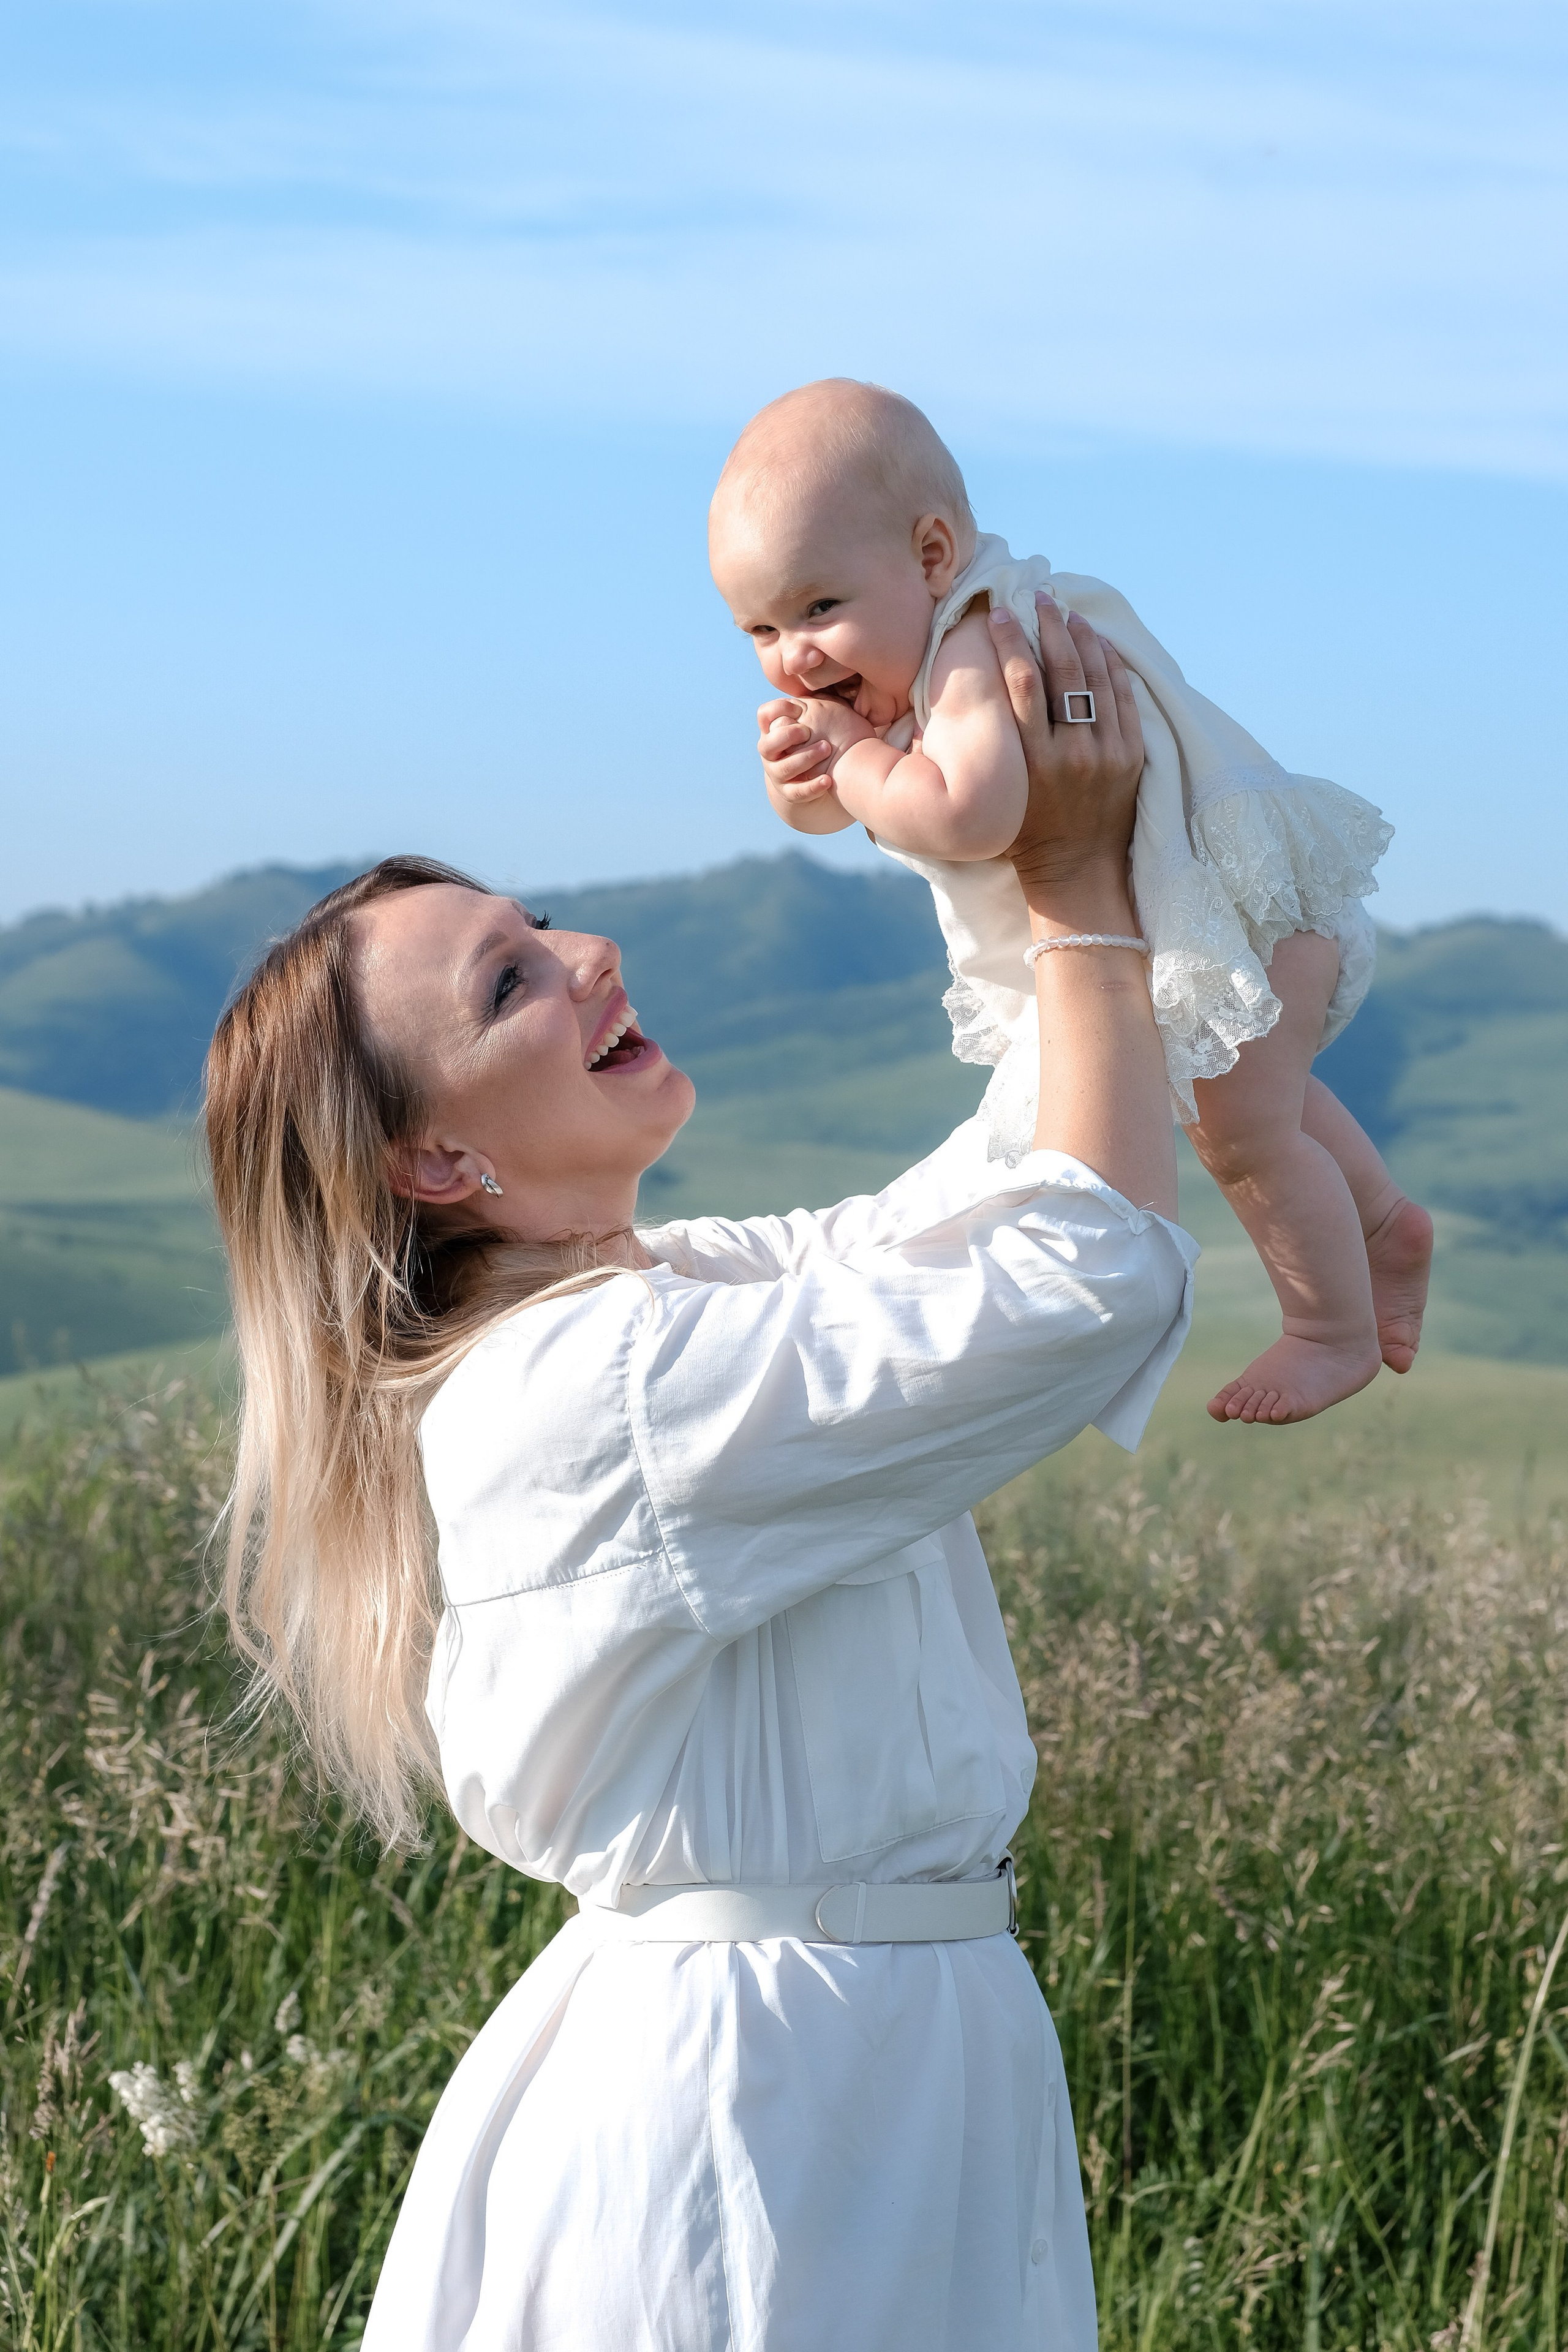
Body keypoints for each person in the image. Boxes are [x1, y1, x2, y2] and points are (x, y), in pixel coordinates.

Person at [203, 601, 1193, 2351]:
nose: (587, 957)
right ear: (436, 1156)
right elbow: (1084, 1271)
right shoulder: (589, 1390)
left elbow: (1016, 1159)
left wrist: (968, 803)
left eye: (535, 926)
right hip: (764, 2104)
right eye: (510, 983)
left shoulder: (681, 1295)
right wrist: (1079, 898)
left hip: (867, 2050)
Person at [708, 377, 1433, 1428]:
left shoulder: (969, 647)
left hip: (1235, 910)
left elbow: (961, 813)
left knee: (1243, 1135)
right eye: (759, 630)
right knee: (1247, 1098)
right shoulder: (930, 647)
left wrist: (857, 755)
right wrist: (807, 787)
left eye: (820, 608)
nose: (795, 657)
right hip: (1230, 914)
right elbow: (860, 809)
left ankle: (1331, 1330)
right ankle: (1382, 1226)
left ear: (930, 556)